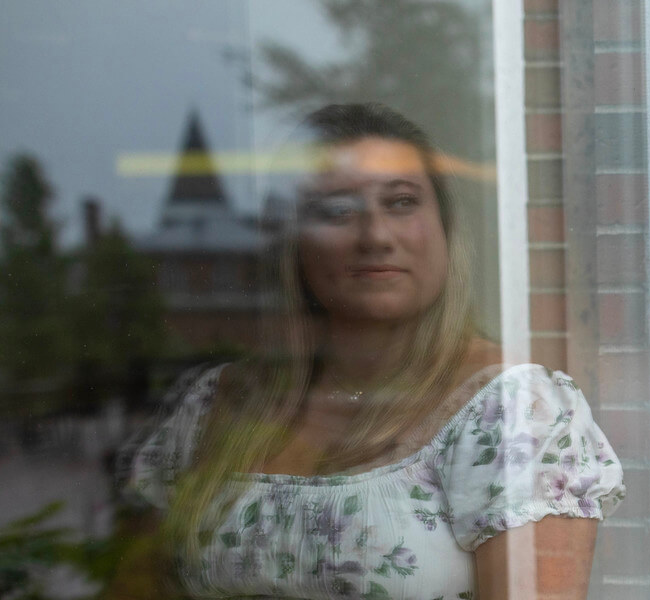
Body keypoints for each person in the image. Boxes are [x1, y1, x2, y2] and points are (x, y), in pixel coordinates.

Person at [111, 103, 623, 599]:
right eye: (337, 210)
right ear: (294, 240)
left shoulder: (511, 411)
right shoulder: (215, 404)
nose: (375, 236)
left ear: (443, 228)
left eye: (400, 202)